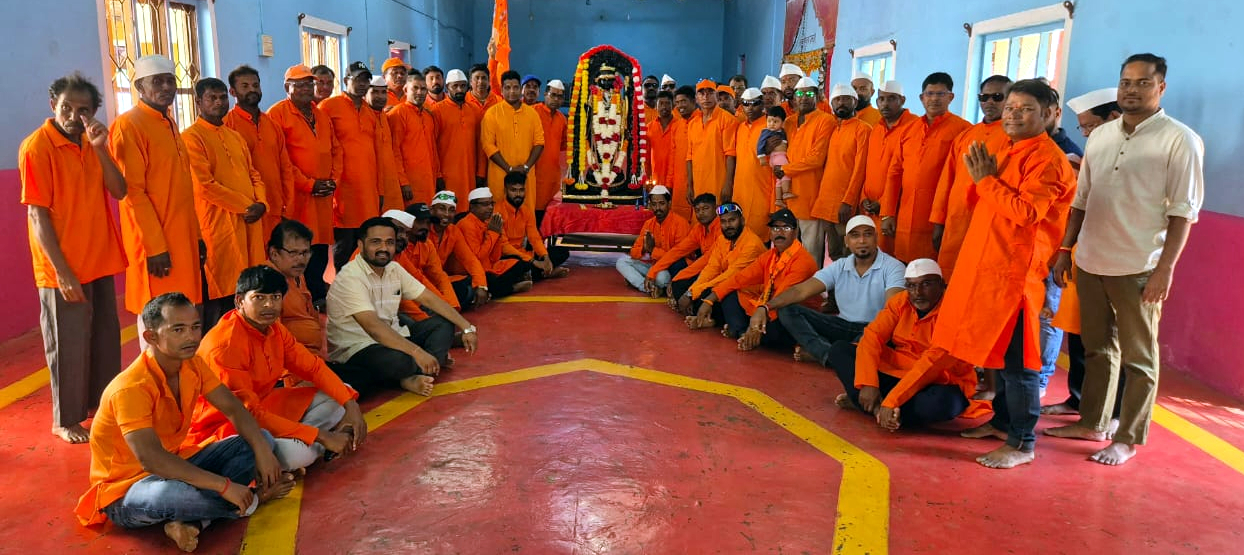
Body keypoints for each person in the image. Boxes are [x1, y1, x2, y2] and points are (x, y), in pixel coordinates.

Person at [1045, 54, 1203, 466]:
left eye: (1142, 82)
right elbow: (1082, 199)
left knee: (1140, 357)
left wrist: (1164, 269)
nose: (1131, 89)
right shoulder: (1102, 136)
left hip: (1140, 265)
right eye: (1125, 82)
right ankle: (1093, 422)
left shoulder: (1178, 139)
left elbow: (1183, 211)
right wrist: (1066, 250)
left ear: (1160, 87)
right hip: (1092, 259)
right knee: (1097, 348)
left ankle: (1128, 437)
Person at [909, 79, 1076, 469]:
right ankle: (1002, 422)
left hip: (1016, 279)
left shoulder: (1048, 160)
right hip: (989, 270)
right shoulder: (1009, 149)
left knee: (1019, 365)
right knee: (997, 356)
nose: (1014, 114)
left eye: (1025, 109)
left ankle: (1022, 442)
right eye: (1011, 107)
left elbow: (1026, 213)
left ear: (1050, 114)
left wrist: (986, 180)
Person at [75, 293, 284, 552]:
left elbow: (234, 408)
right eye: (178, 330)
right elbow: (151, 460)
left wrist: (263, 452)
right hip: (127, 491)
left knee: (262, 439)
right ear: (151, 337)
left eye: (196, 327)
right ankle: (251, 500)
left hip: (178, 464)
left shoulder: (192, 364)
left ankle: (194, 522)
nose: (191, 337)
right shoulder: (131, 388)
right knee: (170, 496)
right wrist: (224, 486)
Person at [21, 72, 127, 443]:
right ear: (54, 106)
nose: (72, 115)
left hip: (99, 259)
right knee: (67, 345)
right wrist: (62, 273)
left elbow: (120, 190)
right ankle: (64, 419)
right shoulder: (38, 147)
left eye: (82, 109)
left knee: (103, 341)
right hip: (62, 267)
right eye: (66, 107)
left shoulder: (91, 142)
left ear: (94, 112)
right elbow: (38, 215)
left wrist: (100, 147)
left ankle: (103, 406)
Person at [186, 266, 367, 472]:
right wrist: (322, 436)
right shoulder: (225, 346)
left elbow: (314, 368)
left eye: (275, 297)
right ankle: (313, 445)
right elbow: (247, 415)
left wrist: (352, 408)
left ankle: (308, 443)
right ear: (239, 301)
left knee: (342, 395)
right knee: (296, 456)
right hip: (225, 430)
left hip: (263, 409)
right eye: (259, 298)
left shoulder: (274, 329)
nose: (269, 305)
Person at [1040, 87, 1124, 418]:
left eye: (1089, 126)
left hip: (1115, 260)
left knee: (1107, 342)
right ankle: (1077, 398)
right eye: (1083, 128)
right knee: (1078, 331)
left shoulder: (1129, 155)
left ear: (1113, 119)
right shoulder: (1092, 154)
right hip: (1080, 254)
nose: (1086, 134)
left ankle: (1111, 414)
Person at [827, 259, 988, 429]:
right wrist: (868, 383)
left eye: (926, 284)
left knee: (945, 403)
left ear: (942, 285)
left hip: (939, 380)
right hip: (897, 371)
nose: (918, 292)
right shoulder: (900, 301)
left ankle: (877, 408)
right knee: (840, 350)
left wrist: (891, 401)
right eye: (911, 286)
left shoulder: (956, 312)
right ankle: (880, 410)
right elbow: (872, 337)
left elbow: (931, 365)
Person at [326, 217, 479, 397]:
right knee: (399, 360)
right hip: (358, 347)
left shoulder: (394, 269)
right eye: (376, 242)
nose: (383, 248)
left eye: (389, 242)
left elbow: (429, 299)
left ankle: (417, 372)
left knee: (443, 323)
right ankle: (410, 374)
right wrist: (418, 352)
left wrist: (467, 327)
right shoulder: (350, 277)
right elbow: (373, 328)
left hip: (395, 336)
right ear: (360, 245)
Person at [110, 55, 202, 345]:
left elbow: (182, 188)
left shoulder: (168, 123)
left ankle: (179, 377)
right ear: (140, 86)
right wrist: (155, 247)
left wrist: (196, 236)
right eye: (157, 82)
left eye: (170, 80)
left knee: (179, 311)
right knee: (156, 313)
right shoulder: (129, 125)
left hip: (181, 236)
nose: (166, 87)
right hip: (155, 244)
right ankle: (153, 379)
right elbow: (132, 192)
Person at [183, 78, 269, 332]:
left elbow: (254, 173)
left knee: (248, 287)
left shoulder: (235, 136)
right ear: (198, 102)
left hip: (249, 223)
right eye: (212, 98)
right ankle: (214, 353)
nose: (219, 102)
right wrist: (247, 206)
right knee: (220, 295)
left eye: (222, 97)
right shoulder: (191, 138)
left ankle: (245, 343)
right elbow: (204, 185)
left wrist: (262, 202)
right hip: (217, 224)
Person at [770, 216, 906, 364]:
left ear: (876, 238)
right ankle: (830, 355)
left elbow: (892, 310)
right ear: (847, 242)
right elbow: (800, 291)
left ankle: (829, 354)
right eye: (855, 235)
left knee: (878, 340)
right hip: (841, 325)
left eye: (868, 234)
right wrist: (766, 307)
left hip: (874, 329)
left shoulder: (893, 267)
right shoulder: (840, 265)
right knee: (787, 309)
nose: (862, 241)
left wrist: (871, 336)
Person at [268, 64, 340, 304]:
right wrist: (309, 184)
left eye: (309, 83)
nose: (306, 89)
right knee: (298, 245)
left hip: (323, 194)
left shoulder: (320, 114)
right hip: (297, 196)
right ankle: (300, 295)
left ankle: (317, 291)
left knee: (320, 245)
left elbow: (336, 150)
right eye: (299, 84)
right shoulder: (277, 114)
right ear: (286, 87)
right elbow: (282, 159)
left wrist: (333, 180)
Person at [881, 72, 971, 263]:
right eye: (930, 94)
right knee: (903, 267)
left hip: (939, 217)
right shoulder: (909, 130)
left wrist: (945, 220)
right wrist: (888, 212)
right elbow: (894, 173)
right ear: (922, 98)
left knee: (933, 272)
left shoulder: (963, 130)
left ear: (951, 97)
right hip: (905, 216)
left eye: (940, 94)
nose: (934, 99)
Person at [698, 209, 818, 350]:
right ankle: (744, 333)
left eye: (785, 228)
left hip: (788, 313)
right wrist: (709, 300)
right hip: (766, 306)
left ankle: (743, 332)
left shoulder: (803, 261)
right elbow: (740, 278)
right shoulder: (770, 256)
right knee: (729, 295)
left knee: (777, 326)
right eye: (775, 228)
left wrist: (756, 326)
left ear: (796, 231)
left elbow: (782, 298)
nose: (779, 233)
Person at [931, 75, 1012, 280]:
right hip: (956, 220)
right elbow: (946, 180)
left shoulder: (1014, 138)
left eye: (997, 97)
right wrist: (938, 221)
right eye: (984, 97)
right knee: (949, 278)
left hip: (987, 223)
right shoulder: (966, 135)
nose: (989, 102)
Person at [321, 61, 385, 270]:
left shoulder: (369, 112)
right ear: (346, 81)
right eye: (357, 79)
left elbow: (374, 154)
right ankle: (341, 295)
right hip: (343, 193)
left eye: (365, 79)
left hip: (367, 193)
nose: (362, 84)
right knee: (344, 249)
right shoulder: (330, 107)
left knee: (365, 248)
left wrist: (379, 190)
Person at [847, 80, 916, 256]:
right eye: (882, 99)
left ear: (902, 100)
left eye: (891, 99)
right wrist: (863, 197)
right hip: (869, 208)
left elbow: (906, 174)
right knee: (869, 258)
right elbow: (867, 167)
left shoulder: (914, 127)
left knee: (891, 261)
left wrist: (885, 206)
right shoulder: (876, 128)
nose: (885, 104)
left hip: (894, 211)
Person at [224, 65, 293, 238]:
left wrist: (288, 206)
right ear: (233, 92)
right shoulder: (227, 125)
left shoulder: (272, 125)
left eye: (255, 85)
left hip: (275, 208)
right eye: (245, 86)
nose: (252, 90)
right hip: (247, 211)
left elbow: (285, 168)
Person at [781, 76, 835, 266]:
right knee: (790, 249)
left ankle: (812, 293)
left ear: (818, 96)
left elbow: (816, 159)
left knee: (811, 251)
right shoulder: (788, 122)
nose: (804, 97)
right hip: (788, 196)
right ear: (794, 97)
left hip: (810, 195)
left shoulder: (825, 121)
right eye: (799, 93)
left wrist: (785, 169)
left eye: (809, 93)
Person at [682, 204, 765, 326]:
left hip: (749, 293)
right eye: (724, 222)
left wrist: (697, 292)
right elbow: (711, 269)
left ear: (742, 220)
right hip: (729, 285)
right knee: (699, 294)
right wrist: (691, 292)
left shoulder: (752, 244)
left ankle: (716, 322)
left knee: (709, 295)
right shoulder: (723, 239)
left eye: (732, 220)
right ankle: (711, 320)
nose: (728, 226)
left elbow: (731, 276)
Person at [814, 83, 872, 261]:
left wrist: (848, 201)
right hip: (825, 203)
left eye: (846, 99)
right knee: (833, 254)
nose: (841, 103)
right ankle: (834, 289)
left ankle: (851, 288)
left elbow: (860, 169)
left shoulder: (863, 129)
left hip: (844, 205)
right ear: (831, 104)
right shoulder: (832, 128)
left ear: (855, 102)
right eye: (837, 100)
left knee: (850, 255)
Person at [482, 70, 545, 209]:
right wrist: (509, 168)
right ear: (502, 90)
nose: (512, 91)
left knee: (526, 214)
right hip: (500, 175)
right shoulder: (492, 113)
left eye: (515, 87)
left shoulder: (532, 114)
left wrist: (526, 167)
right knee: (499, 214)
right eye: (507, 87)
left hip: (526, 175)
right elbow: (488, 145)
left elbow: (539, 142)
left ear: (520, 90)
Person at [456, 188, 535, 297]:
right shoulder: (466, 224)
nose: (490, 208)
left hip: (490, 266)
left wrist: (497, 235)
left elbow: (495, 258)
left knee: (520, 263)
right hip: (471, 271)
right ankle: (511, 288)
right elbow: (478, 257)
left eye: (491, 204)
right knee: (490, 280)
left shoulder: (488, 221)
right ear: (472, 207)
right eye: (485, 204)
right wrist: (493, 233)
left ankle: (507, 284)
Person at [392, 205, 464, 322]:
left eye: (428, 223)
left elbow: (433, 277)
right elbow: (400, 293)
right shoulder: (396, 249)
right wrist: (424, 319)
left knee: (465, 290)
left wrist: (449, 307)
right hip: (394, 305)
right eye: (420, 222)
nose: (426, 227)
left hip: (419, 294)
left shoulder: (425, 244)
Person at [265, 220, 326, 356]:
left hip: (311, 359)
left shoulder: (296, 274)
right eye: (293, 253)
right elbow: (272, 344)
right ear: (274, 253)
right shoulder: (267, 284)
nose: (301, 260)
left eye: (305, 253)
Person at [496, 171, 570, 278]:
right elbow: (504, 247)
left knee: (562, 252)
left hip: (524, 254)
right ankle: (543, 273)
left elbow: (534, 237)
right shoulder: (497, 212)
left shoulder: (525, 211)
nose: (518, 194)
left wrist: (545, 257)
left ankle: (538, 272)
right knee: (517, 266)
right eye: (513, 190)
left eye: (521, 190)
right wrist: (533, 261)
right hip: (506, 256)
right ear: (505, 191)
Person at [616, 186, 689, 293]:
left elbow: (677, 257)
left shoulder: (680, 224)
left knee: (661, 278)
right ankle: (648, 288)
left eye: (661, 203)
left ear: (669, 204)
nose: (657, 208)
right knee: (621, 262)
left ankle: (641, 282)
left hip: (670, 269)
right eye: (654, 204)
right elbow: (633, 252)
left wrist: (652, 250)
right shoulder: (649, 224)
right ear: (650, 205)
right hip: (652, 265)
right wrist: (644, 249)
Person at [653, 193, 721, 304]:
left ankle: (694, 309)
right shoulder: (698, 228)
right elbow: (678, 250)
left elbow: (708, 259)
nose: (701, 213)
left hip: (719, 272)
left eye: (705, 208)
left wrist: (679, 276)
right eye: (697, 210)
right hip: (704, 269)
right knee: (678, 282)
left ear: (716, 209)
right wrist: (653, 272)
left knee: (696, 290)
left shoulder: (721, 227)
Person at [430, 69, 484, 203]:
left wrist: (481, 172)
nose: (459, 89)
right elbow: (432, 145)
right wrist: (438, 175)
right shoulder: (437, 110)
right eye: (455, 86)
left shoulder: (475, 110)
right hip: (447, 174)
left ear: (467, 87)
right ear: (447, 87)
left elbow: (481, 143)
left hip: (470, 173)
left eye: (462, 85)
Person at [429, 191, 491, 308]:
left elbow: (470, 260)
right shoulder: (423, 231)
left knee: (477, 282)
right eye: (442, 209)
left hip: (442, 280)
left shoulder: (453, 231)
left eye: (451, 210)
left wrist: (482, 286)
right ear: (431, 210)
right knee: (465, 291)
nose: (447, 214)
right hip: (423, 283)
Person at [388, 68, 440, 205]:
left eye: (423, 89)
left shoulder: (428, 115)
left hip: (429, 180)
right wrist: (403, 182)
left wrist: (438, 176)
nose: (419, 92)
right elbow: (394, 151)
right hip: (409, 183)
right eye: (415, 88)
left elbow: (433, 149)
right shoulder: (398, 113)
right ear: (406, 90)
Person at [732, 88, 777, 237]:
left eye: (754, 103)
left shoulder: (771, 127)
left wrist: (773, 204)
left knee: (759, 240)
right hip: (740, 194)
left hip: (762, 195)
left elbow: (776, 169)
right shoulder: (740, 128)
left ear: (762, 103)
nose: (750, 108)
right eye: (746, 104)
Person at [685, 80, 738, 205]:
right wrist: (690, 185)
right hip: (698, 182)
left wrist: (728, 184)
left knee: (718, 219)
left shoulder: (727, 120)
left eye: (710, 93)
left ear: (716, 96)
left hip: (718, 182)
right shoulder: (693, 123)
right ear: (696, 99)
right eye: (701, 93)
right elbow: (689, 157)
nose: (706, 97)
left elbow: (730, 154)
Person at [365, 76, 408, 213]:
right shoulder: (362, 116)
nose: (380, 96)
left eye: (383, 92)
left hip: (390, 182)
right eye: (375, 92)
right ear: (365, 93)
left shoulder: (385, 116)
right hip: (370, 183)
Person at [533, 79, 568, 224]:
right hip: (534, 173)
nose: (556, 99)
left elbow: (563, 146)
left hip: (552, 177)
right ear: (545, 94)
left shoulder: (562, 119)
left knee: (549, 216)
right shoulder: (533, 112)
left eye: (560, 96)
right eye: (553, 95)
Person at [666, 86, 697, 220]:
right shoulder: (676, 126)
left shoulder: (702, 121)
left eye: (683, 101)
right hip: (679, 186)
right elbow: (672, 157)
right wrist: (669, 184)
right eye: (677, 103)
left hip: (699, 182)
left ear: (693, 101)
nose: (680, 106)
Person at [758, 106, 792, 206]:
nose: (771, 124)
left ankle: (778, 200)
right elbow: (760, 144)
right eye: (769, 121)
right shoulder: (766, 132)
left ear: (782, 122)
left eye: (775, 121)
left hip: (778, 157)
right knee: (786, 172)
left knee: (779, 179)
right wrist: (762, 157)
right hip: (778, 156)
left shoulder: (782, 131)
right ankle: (785, 193)